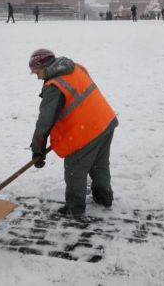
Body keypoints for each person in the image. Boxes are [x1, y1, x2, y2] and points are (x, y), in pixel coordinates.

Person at [28, 49, 118, 217]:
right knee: (99, 165)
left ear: (45, 67)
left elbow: (44, 122)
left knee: (75, 169)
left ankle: (74, 208)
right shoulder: (75, 67)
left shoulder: (54, 86)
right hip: (105, 121)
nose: (38, 77)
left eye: (38, 72)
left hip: (86, 131)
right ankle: (103, 197)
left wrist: (37, 149)